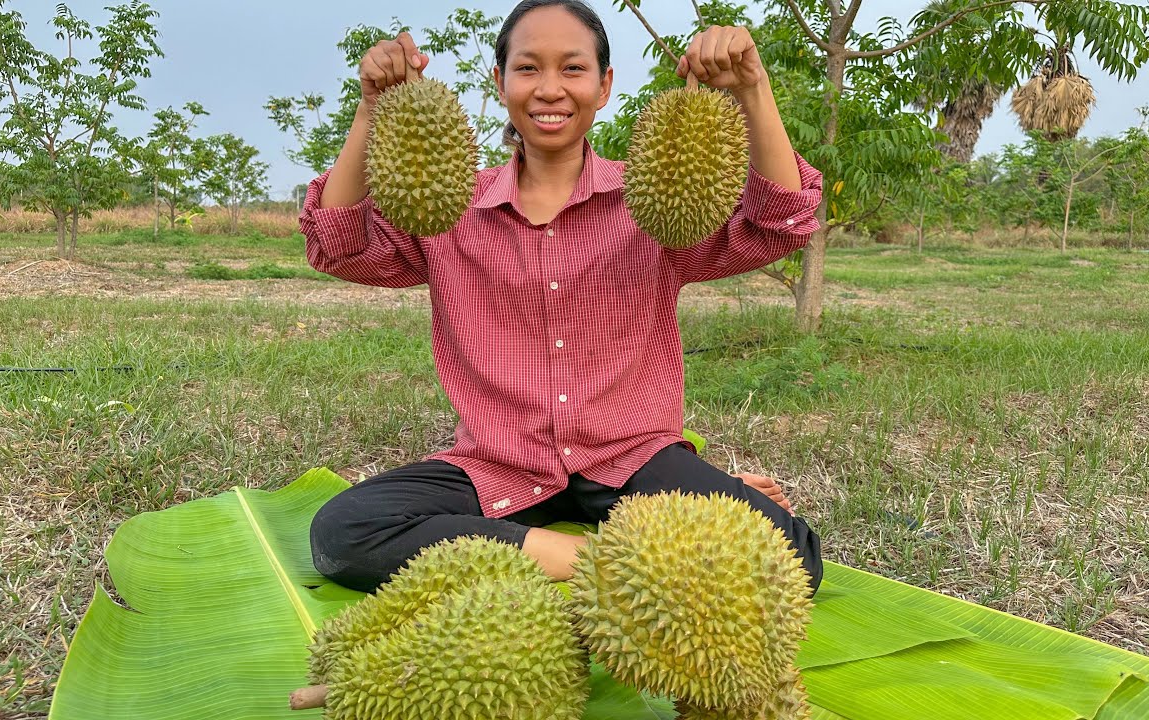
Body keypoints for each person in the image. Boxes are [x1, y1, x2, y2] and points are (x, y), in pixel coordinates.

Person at [302, 0, 824, 596]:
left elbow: (779, 222)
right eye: (528, 69)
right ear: (499, 83)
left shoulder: (650, 203)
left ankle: (590, 545)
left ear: (604, 87)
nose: (550, 89)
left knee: (789, 557)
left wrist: (752, 89)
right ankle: (596, 558)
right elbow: (337, 246)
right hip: (500, 464)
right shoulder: (448, 210)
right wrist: (372, 109)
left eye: (572, 69)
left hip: (631, 458)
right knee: (344, 531)